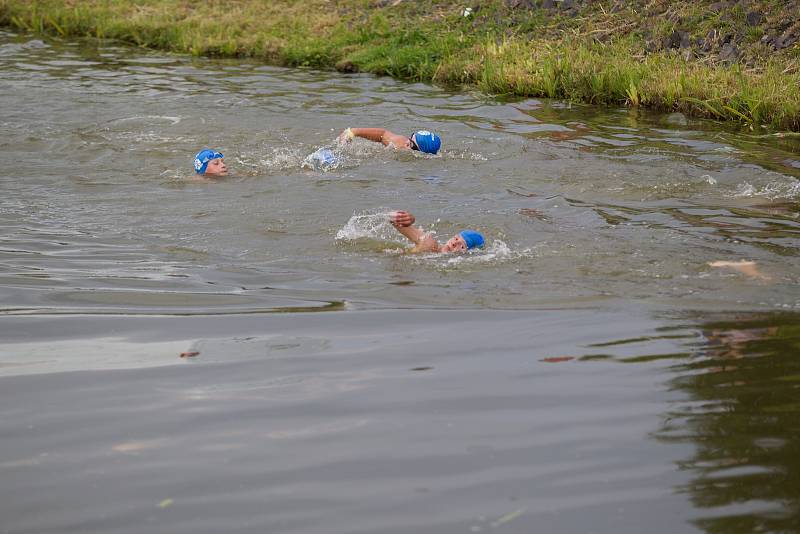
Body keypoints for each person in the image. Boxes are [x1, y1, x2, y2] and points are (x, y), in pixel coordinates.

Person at [390, 209, 484, 254]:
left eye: (462, 246)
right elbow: (392, 218)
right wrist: (409, 219)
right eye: (456, 238)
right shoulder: (429, 243)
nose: (454, 243)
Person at [338, 127, 442, 155]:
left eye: (411, 144)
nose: (406, 142)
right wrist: (352, 133)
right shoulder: (399, 142)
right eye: (410, 138)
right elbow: (382, 134)